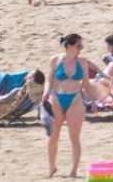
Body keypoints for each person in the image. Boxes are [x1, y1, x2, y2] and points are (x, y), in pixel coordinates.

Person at [45, 34, 91, 179]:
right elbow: (49, 79)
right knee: (53, 136)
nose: (80, 49)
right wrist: (46, 92)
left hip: (75, 99)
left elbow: (86, 83)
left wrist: (93, 101)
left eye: (81, 46)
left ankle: (74, 170)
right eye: (78, 46)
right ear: (69, 46)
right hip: (56, 98)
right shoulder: (55, 60)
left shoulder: (82, 62)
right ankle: (52, 167)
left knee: (74, 138)